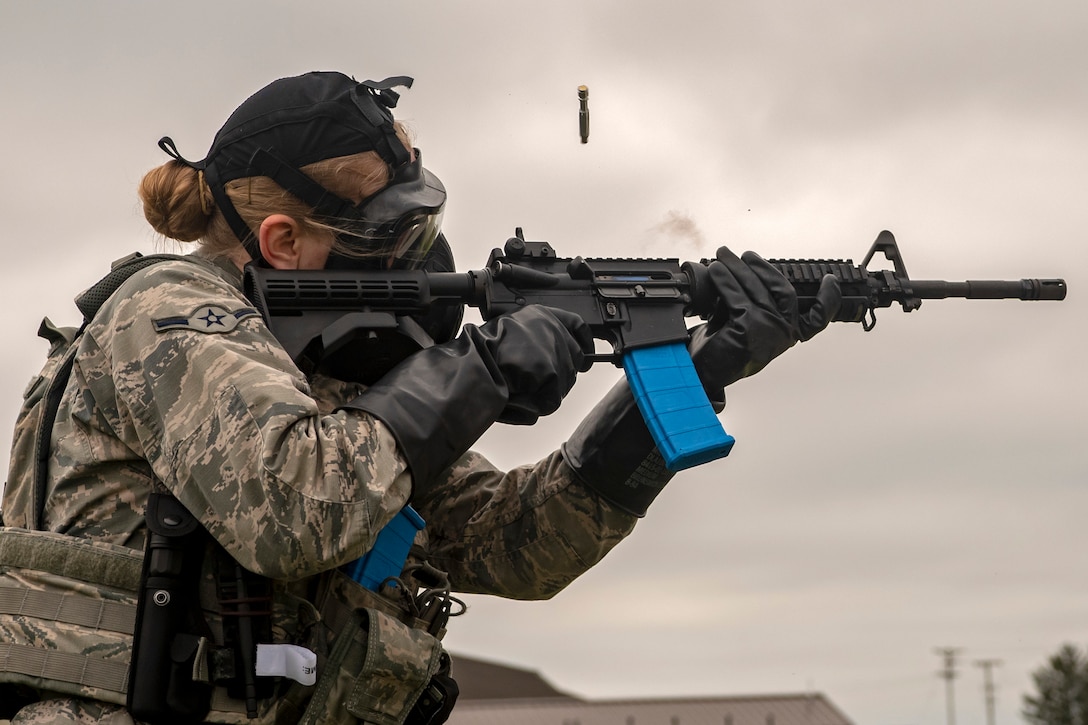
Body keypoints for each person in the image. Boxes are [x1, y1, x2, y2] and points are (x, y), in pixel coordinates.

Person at [0, 71, 841, 724]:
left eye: (422, 227)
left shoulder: (326, 381)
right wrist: (481, 370)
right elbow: (295, 508)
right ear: (283, 242)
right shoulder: (168, 312)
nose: (425, 259)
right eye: (393, 237)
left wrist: (700, 368)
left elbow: (520, 545)